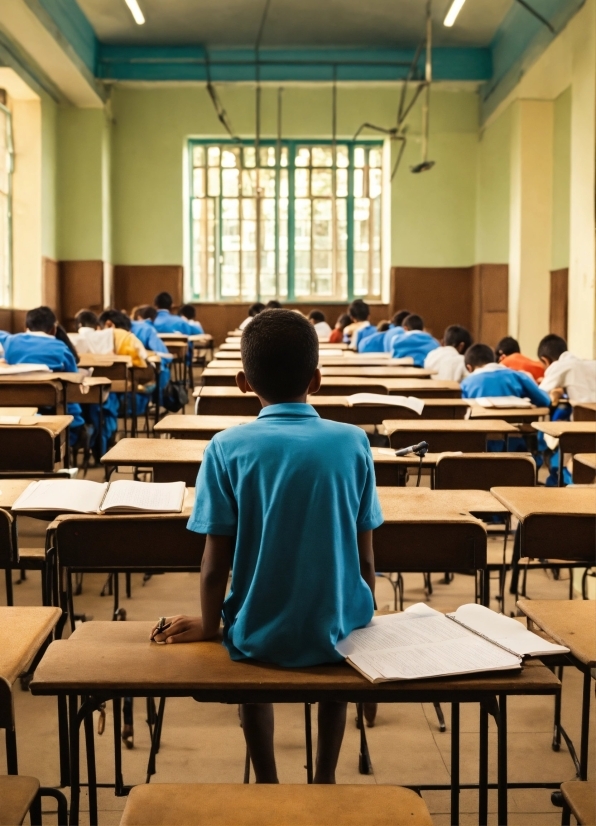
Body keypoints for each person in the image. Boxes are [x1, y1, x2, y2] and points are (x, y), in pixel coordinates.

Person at [151, 309, 382, 784]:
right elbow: (367, 559)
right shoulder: (354, 442)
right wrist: (364, 617)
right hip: (340, 631)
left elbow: (215, 563)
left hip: (257, 634)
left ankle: (268, 781)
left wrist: (212, 624)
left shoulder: (225, 447)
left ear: (242, 382)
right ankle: (324, 778)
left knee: (249, 661)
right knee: (334, 664)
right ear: (316, 380)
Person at [2, 306, 85, 445]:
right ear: (54, 329)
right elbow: (73, 382)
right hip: (50, 403)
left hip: (12, 401)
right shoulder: (60, 347)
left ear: (26, 326)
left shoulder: (10, 342)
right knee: (72, 409)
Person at [461, 344, 550, 406]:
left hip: (479, 431)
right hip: (514, 431)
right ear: (493, 360)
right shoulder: (518, 376)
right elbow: (544, 400)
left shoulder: (465, 384)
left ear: (469, 368)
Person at [538, 334, 596, 405]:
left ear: (545, 360)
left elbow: (539, 395)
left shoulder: (558, 366)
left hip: (585, 414)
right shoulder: (590, 364)